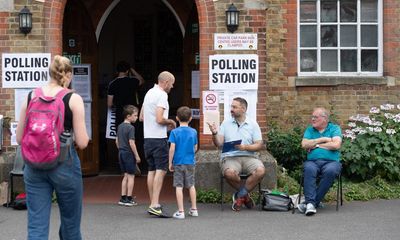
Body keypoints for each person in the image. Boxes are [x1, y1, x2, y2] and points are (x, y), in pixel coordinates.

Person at [16, 55, 89, 239]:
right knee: (70, 225)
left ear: (49, 73)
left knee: (36, 227)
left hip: (33, 166)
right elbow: (82, 142)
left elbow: (19, 138)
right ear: (69, 75)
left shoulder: (32, 96)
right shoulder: (73, 98)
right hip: (64, 164)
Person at [207, 97, 265, 211]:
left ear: (243, 109)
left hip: (249, 156)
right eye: (231, 107)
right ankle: (245, 196)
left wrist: (245, 147)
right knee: (229, 173)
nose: (231, 109)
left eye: (234, 107)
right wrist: (214, 134)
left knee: (261, 171)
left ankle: (239, 195)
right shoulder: (226, 123)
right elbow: (219, 143)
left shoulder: (253, 124)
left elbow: (259, 145)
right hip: (230, 157)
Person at [139, 71, 176, 217]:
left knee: (151, 170)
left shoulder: (149, 93)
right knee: (161, 170)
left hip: (147, 137)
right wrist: (171, 121)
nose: (172, 87)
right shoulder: (162, 95)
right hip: (158, 138)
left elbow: (141, 117)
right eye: (172, 84)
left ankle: (152, 203)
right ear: (166, 82)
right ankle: (155, 204)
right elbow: (160, 119)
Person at [299, 107, 342, 216]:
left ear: (324, 119)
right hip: (312, 162)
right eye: (312, 117)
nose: (312, 119)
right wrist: (323, 140)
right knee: (308, 169)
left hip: (331, 162)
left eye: (315, 117)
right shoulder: (310, 130)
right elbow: (304, 145)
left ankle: (310, 203)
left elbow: (336, 145)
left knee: (331, 171)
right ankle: (312, 203)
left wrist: (316, 145)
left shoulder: (334, 128)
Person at [168, 106, 198, 219]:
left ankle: (181, 211)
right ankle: (194, 209)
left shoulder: (174, 132)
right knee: (191, 185)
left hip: (178, 162)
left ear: (176, 118)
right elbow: (195, 147)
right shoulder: (194, 131)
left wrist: (170, 162)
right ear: (190, 118)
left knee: (179, 186)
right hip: (190, 161)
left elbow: (172, 148)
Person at [116, 105, 141, 207]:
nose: (137, 117)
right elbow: (132, 143)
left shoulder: (120, 126)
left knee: (125, 175)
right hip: (129, 153)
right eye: (135, 115)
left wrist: (120, 149)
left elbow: (116, 141)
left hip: (121, 152)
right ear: (128, 116)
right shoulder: (131, 128)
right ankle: (129, 198)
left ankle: (123, 198)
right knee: (131, 176)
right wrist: (137, 155)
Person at [107, 60, 144, 127]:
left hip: (120, 112)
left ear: (117, 71)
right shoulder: (133, 81)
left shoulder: (112, 84)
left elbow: (109, 104)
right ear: (127, 71)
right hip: (132, 112)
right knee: (132, 134)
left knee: (120, 134)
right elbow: (141, 80)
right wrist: (132, 70)